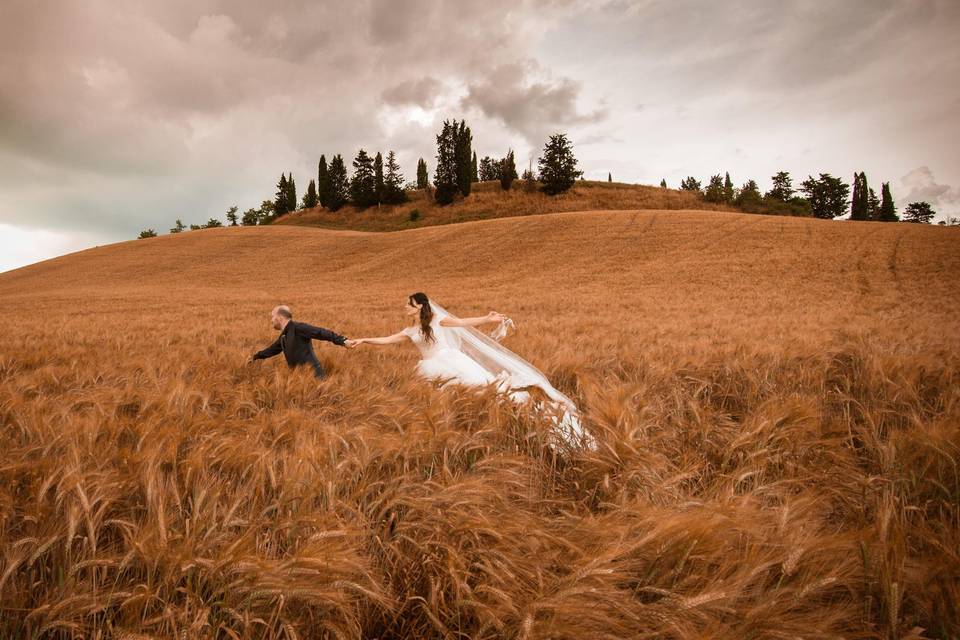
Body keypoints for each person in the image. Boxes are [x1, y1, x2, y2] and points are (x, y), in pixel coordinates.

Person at [350, 292, 592, 447]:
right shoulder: (409, 331)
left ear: (420, 306)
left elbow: (463, 323)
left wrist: (487, 319)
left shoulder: (436, 321)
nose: (405, 306)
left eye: (409, 304)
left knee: (480, 390)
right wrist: (363, 340)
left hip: (451, 362)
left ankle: (511, 419)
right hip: (431, 368)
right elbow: (386, 339)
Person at [247, 305, 355, 379]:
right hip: (300, 377)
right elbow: (272, 350)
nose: (271, 320)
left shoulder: (298, 327)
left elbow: (320, 332)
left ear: (279, 317)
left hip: (314, 377)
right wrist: (255, 357)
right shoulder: (284, 335)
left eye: (272, 316)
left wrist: (343, 341)